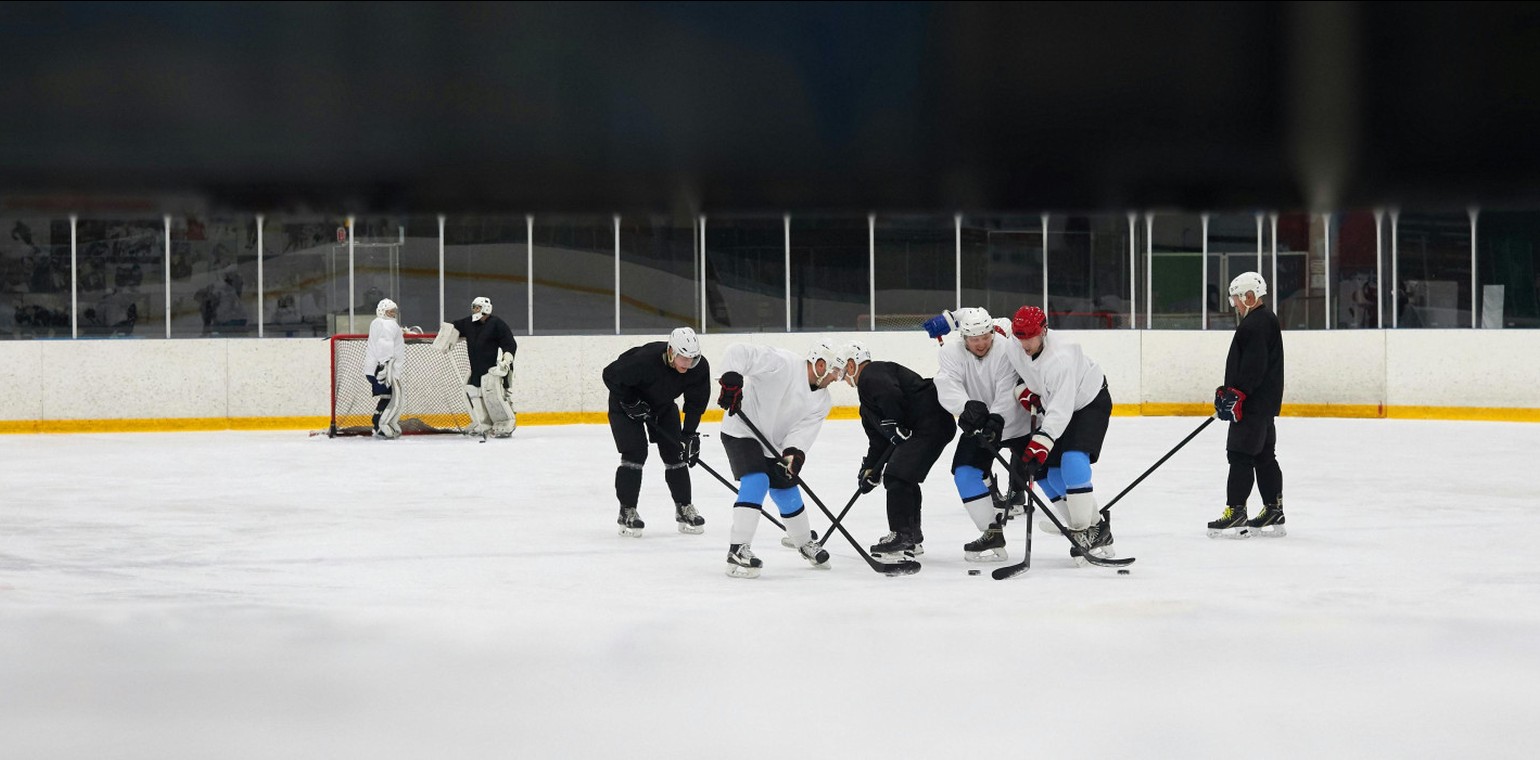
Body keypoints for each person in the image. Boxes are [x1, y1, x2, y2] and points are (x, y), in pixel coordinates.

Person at [713, 338, 841, 578]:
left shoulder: (823, 401)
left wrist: (793, 454)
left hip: (774, 444)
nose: (837, 378)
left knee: (786, 489)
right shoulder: (782, 363)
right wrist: (731, 380)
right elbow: (738, 350)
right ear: (821, 364)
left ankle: (804, 543)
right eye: (835, 372)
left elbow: (802, 432)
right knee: (758, 480)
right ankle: (738, 549)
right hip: (741, 431)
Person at [1003, 305, 1116, 564]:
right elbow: (994, 325)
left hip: (1088, 401)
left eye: (1029, 337)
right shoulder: (1015, 340)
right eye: (1020, 337)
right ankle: (1097, 528)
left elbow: (1060, 411)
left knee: (1073, 459)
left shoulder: (1061, 358)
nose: (1024, 344)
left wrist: (1042, 442)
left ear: (1043, 330)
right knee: (1048, 474)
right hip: (1057, 404)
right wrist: (952, 321)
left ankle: (1082, 530)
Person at [924, 307, 1035, 562]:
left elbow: (1008, 388)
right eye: (975, 339)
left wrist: (996, 418)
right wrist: (965, 409)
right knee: (964, 473)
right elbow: (947, 382)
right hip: (978, 424)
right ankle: (991, 532)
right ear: (964, 337)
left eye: (985, 337)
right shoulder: (950, 352)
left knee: (1048, 471)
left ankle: (1087, 526)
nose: (982, 343)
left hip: (1014, 422)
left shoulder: (1006, 349)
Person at [841, 340, 956, 562]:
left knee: (897, 475)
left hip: (930, 422)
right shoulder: (866, 406)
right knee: (905, 477)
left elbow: (890, 393)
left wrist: (893, 420)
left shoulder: (872, 373)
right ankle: (912, 536)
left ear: (852, 364)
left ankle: (902, 536)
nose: (845, 377)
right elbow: (879, 442)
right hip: (929, 427)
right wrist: (870, 469)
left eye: (845, 370)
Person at [601, 327, 711, 537]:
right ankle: (627, 511)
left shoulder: (698, 367)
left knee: (676, 452)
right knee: (635, 454)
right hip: (626, 403)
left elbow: (696, 402)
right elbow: (610, 375)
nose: (688, 364)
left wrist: (688, 435)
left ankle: (684, 507)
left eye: (692, 359)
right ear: (671, 351)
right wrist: (630, 401)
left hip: (662, 403)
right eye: (683, 358)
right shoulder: (644, 360)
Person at [1208, 271, 1287, 538]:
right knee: (1264, 456)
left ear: (1249, 296)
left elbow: (1254, 366)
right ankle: (1273, 509)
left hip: (1251, 406)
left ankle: (1236, 511)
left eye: (1236, 300)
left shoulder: (1254, 325)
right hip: (1263, 406)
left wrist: (1237, 394)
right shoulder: (1267, 320)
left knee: (1240, 455)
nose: (1235, 306)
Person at [435, 296, 520, 437]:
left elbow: (510, 344)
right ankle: (483, 422)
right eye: (473, 307)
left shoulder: (496, 324)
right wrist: (445, 339)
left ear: (486, 308)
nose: (474, 310)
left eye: (477, 307)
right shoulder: (469, 323)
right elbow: (453, 326)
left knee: (494, 396)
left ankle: (505, 422)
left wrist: (506, 361)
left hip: (492, 371)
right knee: (474, 392)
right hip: (476, 370)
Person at [363, 298, 406, 438]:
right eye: (389, 311)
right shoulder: (386, 324)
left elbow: (386, 339)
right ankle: (381, 425)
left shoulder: (379, 323)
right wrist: (384, 365)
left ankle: (384, 423)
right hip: (382, 368)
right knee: (393, 398)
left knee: (389, 397)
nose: (393, 314)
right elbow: (384, 343)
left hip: (376, 367)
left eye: (394, 311)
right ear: (382, 311)